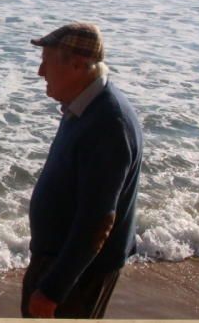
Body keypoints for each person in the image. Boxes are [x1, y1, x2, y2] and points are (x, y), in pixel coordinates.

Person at [21, 22, 143, 319]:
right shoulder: (83, 107)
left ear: (77, 65)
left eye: (46, 63)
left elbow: (97, 223)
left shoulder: (107, 125)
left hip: (77, 273)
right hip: (61, 260)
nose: (40, 73)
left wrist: (52, 291)